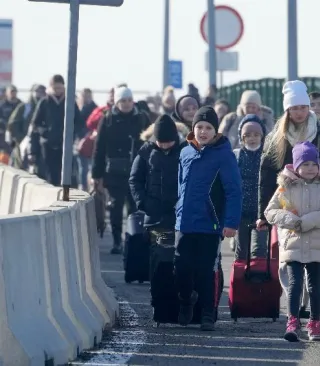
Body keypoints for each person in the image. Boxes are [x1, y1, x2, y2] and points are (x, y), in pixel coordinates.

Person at [175, 106, 242, 331]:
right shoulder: (185, 152)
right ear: (193, 129)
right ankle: (185, 301)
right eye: (199, 127)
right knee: (181, 267)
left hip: (210, 223)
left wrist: (231, 223)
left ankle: (207, 314)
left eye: (208, 128)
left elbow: (234, 191)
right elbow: (180, 186)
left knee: (207, 270)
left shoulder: (224, 155)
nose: (203, 132)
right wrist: (177, 211)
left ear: (215, 131)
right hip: (184, 222)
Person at [264, 141, 320, 342]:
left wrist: (307, 221)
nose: (310, 168)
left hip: (316, 243)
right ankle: (293, 321)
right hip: (292, 242)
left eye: (313, 164)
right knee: (295, 284)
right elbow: (270, 211)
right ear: (296, 166)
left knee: (315, 286)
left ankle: (315, 323)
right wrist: (291, 221)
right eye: (305, 164)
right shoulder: (284, 188)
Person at [257, 80, 320, 231]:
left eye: (303, 108)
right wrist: (262, 214)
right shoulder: (278, 136)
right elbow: (266, 174)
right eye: (294, 108)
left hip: (316, 197)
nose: (299, 113)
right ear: (287, 110)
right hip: (288, 200)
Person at [91, 86, 148, 254]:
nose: (127, 104)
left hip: (137, 170)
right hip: (114, 172)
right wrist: (97, 174)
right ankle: (117, 241)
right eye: (123, 101)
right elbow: (99, 148)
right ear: (117, 102)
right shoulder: (107, 119)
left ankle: (132, 240)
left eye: (129, 100)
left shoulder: (142, 118)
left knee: (135, 208)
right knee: (115, 208)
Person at [129, 114, 185, 243]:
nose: (164, 146)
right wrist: (143, 203)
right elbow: (135, 179)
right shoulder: (146, 151)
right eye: (161, 143)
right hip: (153, 214)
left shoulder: (185, 150)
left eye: (168, 142)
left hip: (178, 214)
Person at [29, 74, 85, 185]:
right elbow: (35, 123)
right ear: (50, 88)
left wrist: (71, 133)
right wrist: (45, 133)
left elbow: (79, 123)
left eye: (60, 88)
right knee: (49, 174)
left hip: (65, 144)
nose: (58, 91)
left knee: (65, 173)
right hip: (48, 144)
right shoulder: (44, 102)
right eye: (55, 88)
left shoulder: (70, 102)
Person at [232, 114, 268, 259]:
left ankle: (258, 279)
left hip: (262, 211)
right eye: (247, 135)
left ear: (262, 136)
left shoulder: (267, 156)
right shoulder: (236, 155)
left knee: (259, 250)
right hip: (242, 210)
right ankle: (240, 279)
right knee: (241, 249)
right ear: (242, 137)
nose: (252, 138)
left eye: (256, 134)